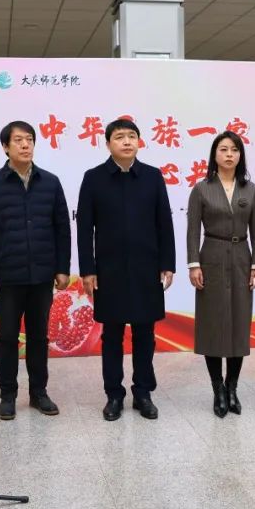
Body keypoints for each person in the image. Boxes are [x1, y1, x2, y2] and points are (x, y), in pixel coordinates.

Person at [77, 118, 175, 422]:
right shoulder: (93, 178)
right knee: (112, 334)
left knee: (145, 333)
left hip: (147, 268)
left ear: (139, 142)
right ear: (108, 144)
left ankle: (143, 393)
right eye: (120, 137)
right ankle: (114, 395)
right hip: (109, 270)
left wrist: (167, 264)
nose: (127, 141)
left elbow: (164, 222)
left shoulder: (152, 176)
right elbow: (84, 228)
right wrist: (88, 269)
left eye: (132, 136)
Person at [0, 121, 71, 421]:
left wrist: (62, 268)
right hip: (8, 275)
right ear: (6, 146)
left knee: (39, 336)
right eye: (18, 140)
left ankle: (39, 392)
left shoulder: (50, 182)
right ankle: (8, 395)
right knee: (6, 336)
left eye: (29, 139)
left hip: (42, 274)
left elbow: (62, 228)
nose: (25, 145)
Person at [186, 131, 255, 418]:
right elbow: (192, 231)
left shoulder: (251, 189)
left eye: (234, 149)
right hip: (212, 257)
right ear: (214, 155)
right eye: (223, 149)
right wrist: (194, 264)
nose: (229, 154)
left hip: (242, 257)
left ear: (240, 155)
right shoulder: (202, 189)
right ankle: (217, 388)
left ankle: (232, 388)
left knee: (238, 323)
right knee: (213, 323)